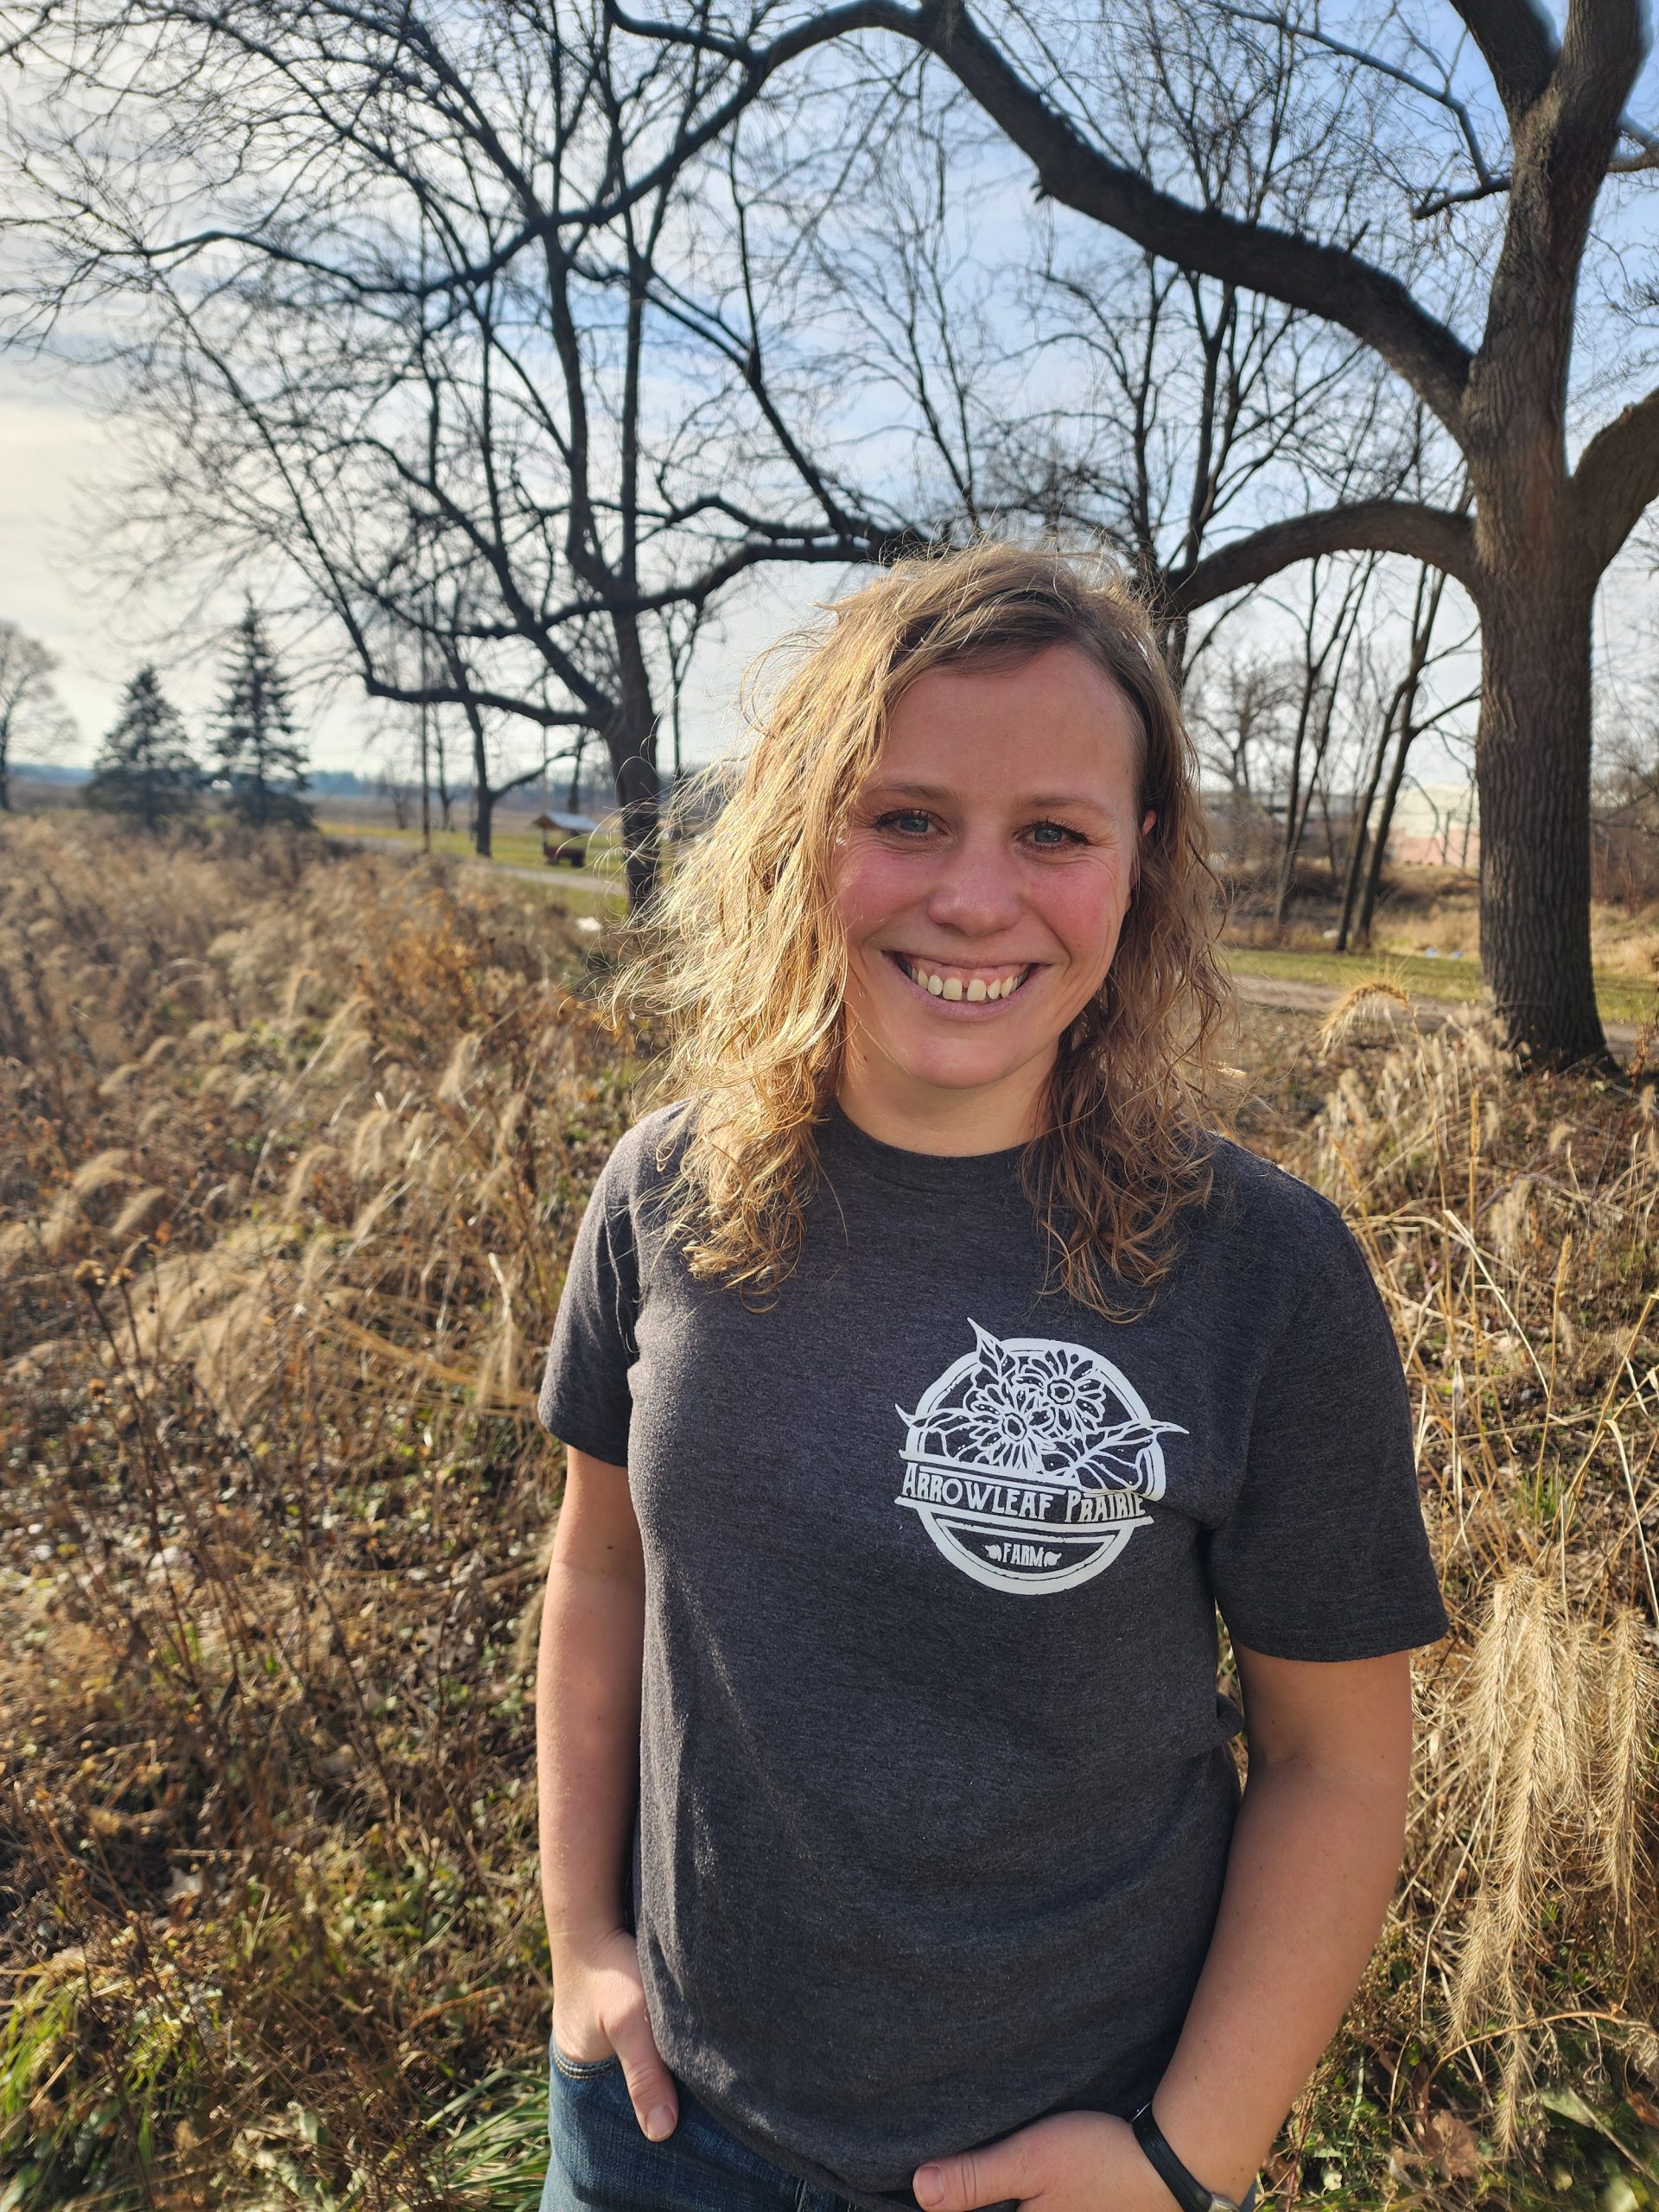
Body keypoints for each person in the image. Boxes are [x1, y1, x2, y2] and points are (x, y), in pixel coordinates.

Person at [533, 543, 1448, 2212]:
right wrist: (583, 1945)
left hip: (1065, 2166)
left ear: (1141, 860)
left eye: (1052, 832)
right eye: (906, 818)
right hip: (663, 2136)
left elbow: (1334, 1762)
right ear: (807, 831)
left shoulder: (1260, 1273)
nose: (974, 897)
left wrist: (1187, 2160)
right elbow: (601, 1568)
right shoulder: (665, 1194)